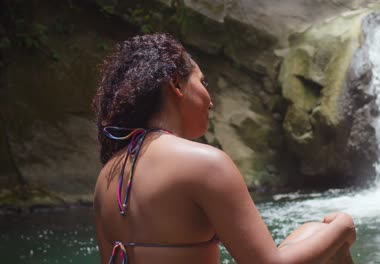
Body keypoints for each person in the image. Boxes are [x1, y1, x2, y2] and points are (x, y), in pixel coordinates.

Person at [93, 33, 356, 264]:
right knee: (320, 232)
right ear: (176, 84)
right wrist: (343, 227)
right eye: (202, 82)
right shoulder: (204, 163)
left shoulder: (107, 176)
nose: (210, 101)